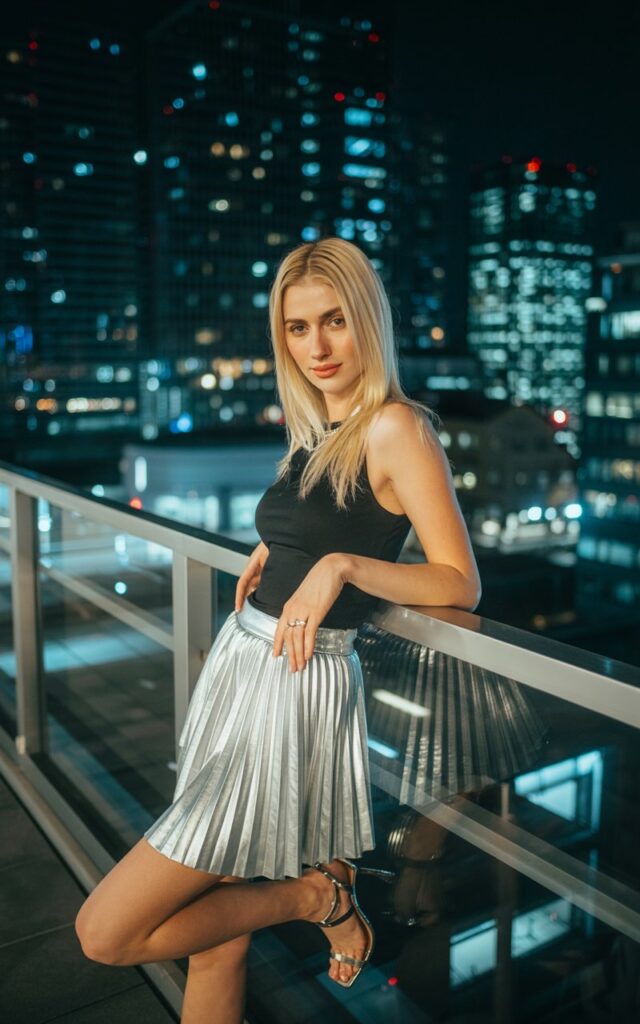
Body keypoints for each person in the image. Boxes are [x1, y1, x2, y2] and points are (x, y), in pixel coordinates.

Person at [75, 237, 481, 1022]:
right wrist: (283, 547)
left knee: (107, 933)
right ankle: (313, 897)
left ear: (369, 320)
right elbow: (334, 513)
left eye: (334, 321)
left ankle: (312, 897)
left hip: (293, 685)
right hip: (245, 671)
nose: (317, 346)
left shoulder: (397, 427)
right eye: (298, 328)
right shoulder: (319, 425)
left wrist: (342, 569)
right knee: (215, 943)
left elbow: (459, 582)